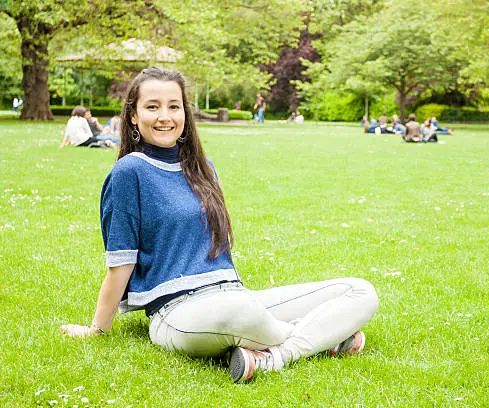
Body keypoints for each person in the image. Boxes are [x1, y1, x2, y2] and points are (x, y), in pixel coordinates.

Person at [59, 67, 379, 384]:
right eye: (152, 106)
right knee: (243, 314)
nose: (165, 116)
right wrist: (97, 329)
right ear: (133, 114)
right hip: (178, 312)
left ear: (186, 112)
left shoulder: (203, 168)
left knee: (360, 291)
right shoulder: (129, 172)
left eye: (174, 106)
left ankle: (274, 357)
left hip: (234, 294)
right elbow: (121, 261)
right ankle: (325, 337)